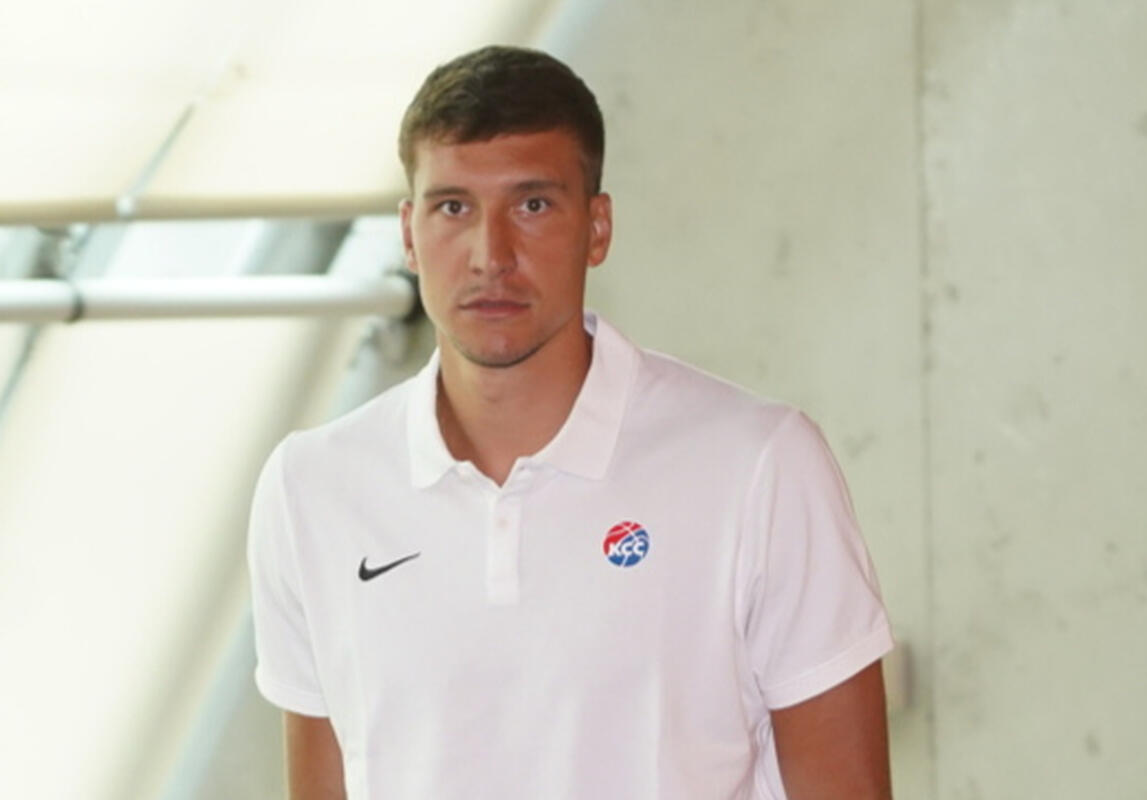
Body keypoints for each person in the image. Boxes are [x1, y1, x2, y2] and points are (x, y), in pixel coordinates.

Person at [248, 45, 894, 800]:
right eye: (453, 207)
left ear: (597, 227)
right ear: (409, 235)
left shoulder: (760, 464)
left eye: (532, 205)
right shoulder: (312, 485)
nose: (491, 255)